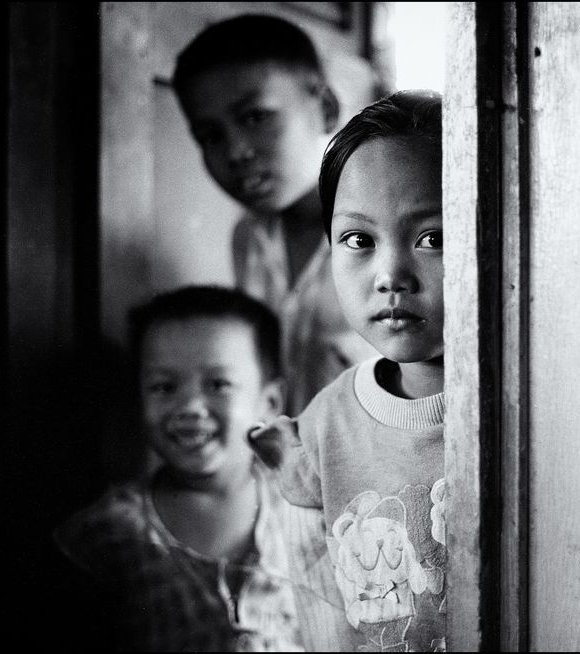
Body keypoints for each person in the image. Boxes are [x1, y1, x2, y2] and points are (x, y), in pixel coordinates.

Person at [252, 90, 446, 653]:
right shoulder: (324, 427)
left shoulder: (534, 412)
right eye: (358, 240)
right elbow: (317, 605)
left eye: (433, 238)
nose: (391, 276)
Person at [53, 285, 303, 652]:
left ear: (268, 402)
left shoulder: (305, 511)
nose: (189, 406)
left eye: (218, 385)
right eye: (164, 387)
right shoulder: (109, 531)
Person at [172, 14, 378, 415]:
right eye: (210, 136)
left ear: (325, 108)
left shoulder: (386, 234)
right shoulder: (249, 236)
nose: (235, 152)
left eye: (256, 118)